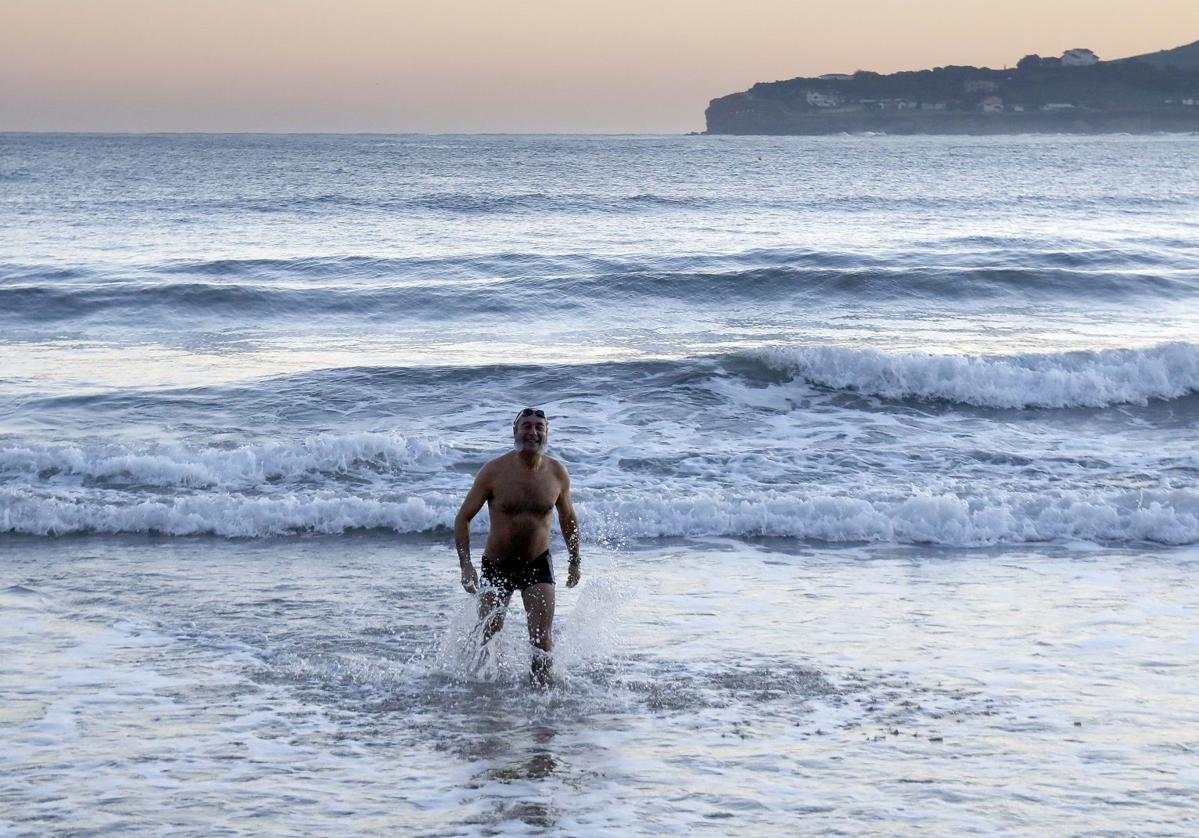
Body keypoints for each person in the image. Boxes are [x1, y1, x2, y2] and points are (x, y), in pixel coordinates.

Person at [454, 407, 581, 686]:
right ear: (515, 431)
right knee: (488, 636)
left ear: (546, 434)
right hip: (497, 565)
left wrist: (575, 559)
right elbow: (463, 518)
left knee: (542, 641)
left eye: (539, 427)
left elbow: (568, 519)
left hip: (538, 563)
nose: (532, 432)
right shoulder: (494, 471)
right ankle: (484, 698)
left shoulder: (557, 473)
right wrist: (466, 565)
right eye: (526, 426)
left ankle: (541, 700)